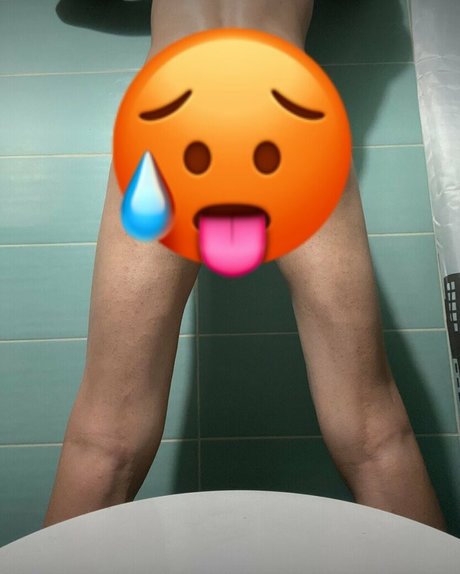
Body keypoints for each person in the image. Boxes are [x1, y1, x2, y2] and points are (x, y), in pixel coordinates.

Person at [42, 0, 447, 531]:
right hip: (286, 103)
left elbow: (70, 10)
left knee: (104, 441)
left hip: (173, 102)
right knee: (375, 436)